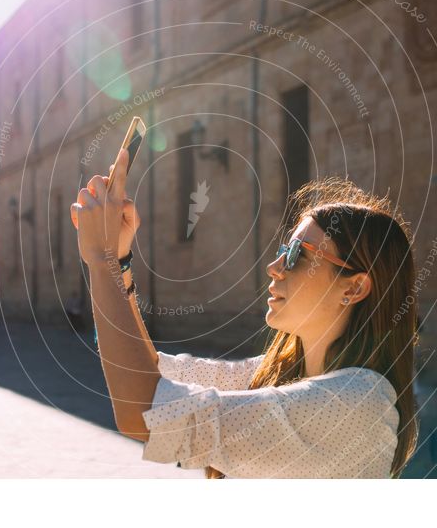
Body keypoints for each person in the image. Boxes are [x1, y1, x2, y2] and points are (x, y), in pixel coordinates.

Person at [71, 149, 418, 478]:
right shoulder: (280, 372)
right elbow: (146, 370)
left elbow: (145, 411)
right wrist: (119, 261)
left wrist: (103, 263)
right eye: (283, 249)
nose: (274, 266)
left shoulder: (358, 404)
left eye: (298, 253)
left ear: (354, 288)